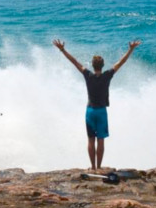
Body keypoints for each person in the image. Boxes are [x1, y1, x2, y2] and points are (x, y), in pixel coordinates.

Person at [52, 39, 141, 170]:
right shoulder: (107, 75)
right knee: (100, 140)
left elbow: (75, 62)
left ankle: (92, 166)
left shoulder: (88, 75)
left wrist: (62, 49)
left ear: (93, 66)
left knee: (90, 140)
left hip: (90, 111)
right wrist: (131, 49)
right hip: (101, 112)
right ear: (103, 65)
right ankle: (99, 167)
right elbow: (121, 62)